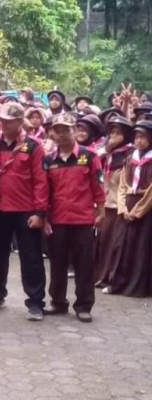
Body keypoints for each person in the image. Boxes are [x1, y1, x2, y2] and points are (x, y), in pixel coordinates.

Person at [0, 102, 48, 320]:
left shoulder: (34, 146)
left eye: (9, 121)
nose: (4, 124)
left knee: (31, 257)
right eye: (2, 120)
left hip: (25, 211)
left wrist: (39, 212)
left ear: (20, 122)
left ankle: (35, 303)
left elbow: (41, 181)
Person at [43, 113, 105, 322]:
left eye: (66, 130)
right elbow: (45, 192)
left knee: (84, 265)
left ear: (75, 130)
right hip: (58, 220)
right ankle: (58, 302)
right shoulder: (49, 160)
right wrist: (45, 219)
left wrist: (101, 211)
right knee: (57, 264)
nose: (61, 134)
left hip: (83, 220)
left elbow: (98, 185)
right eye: (57, 130)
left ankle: (84, 305)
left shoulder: (89, 156)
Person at [106, 119, 152, 297]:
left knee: (140, 247)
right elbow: (123, 184)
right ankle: (117, 283)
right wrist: (123, 207)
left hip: (145, 208)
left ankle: (137, 286)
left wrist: (138, 211)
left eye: (143, 137)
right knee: (121, 245)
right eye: (137, 137)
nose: (139, 141)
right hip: (127, 205)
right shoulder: (130, 158)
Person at [95, 115, 134, 287]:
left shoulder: (131, 153)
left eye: (118, 132)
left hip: (121, 204)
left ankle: (112, 278)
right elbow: (93, 161)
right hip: (106, 203)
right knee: (103, 241)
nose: (113, 136)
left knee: (116, 244)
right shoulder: (107, 152)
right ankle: (100, 275)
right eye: (111, 132)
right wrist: (108, 147)